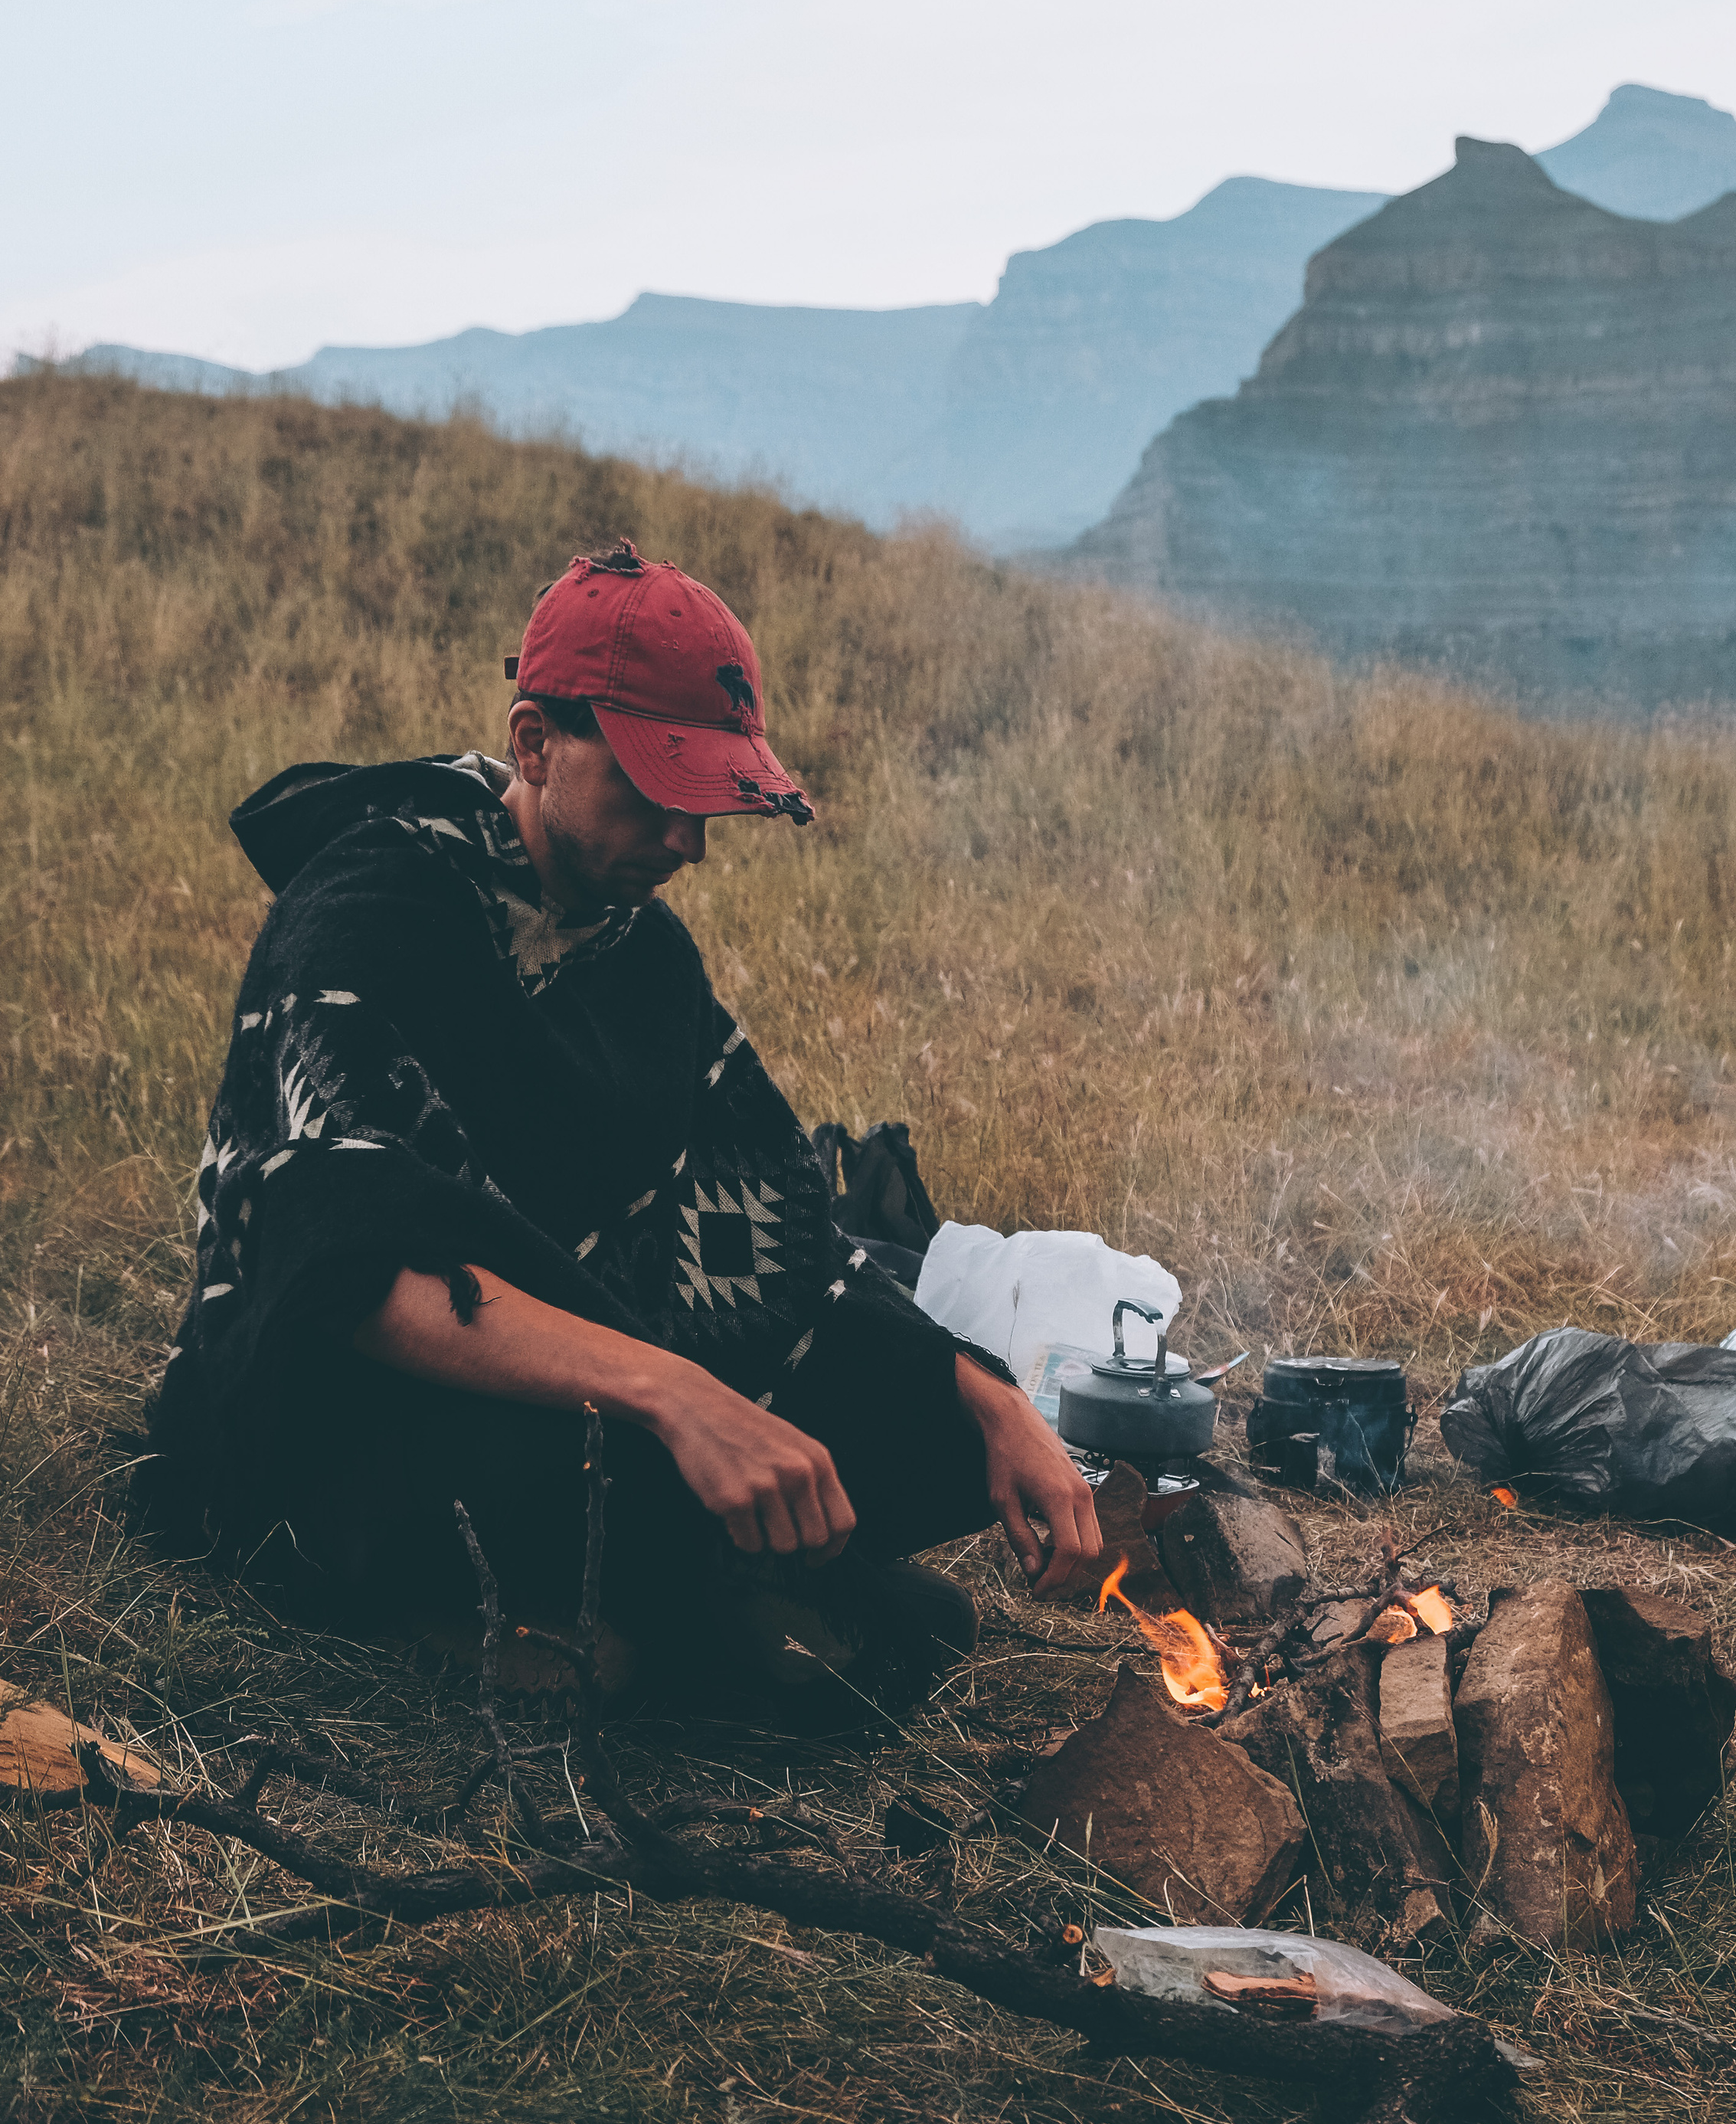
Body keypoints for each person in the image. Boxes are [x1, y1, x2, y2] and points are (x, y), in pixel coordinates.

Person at [141, 541, 1101, 1719]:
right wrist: (679, 1397)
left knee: (930, 1504)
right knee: (779, 1620)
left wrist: (988, 1394)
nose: (687, 846)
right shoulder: (367, 917)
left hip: (586, 1367)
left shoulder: (642, 954)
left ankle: (646, 1600)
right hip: (343, 1407)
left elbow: (774, 1228)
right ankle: (453, 1614)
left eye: (704, 806)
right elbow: (354, 1278)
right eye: (654, 795)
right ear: (536, 744)